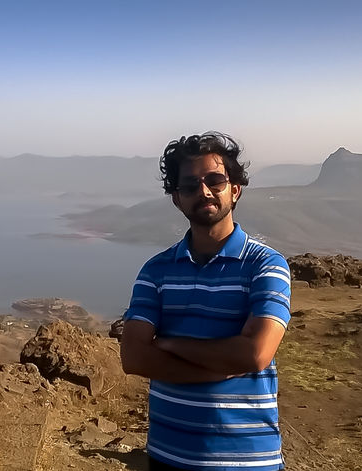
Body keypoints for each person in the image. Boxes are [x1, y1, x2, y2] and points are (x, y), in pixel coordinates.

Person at [120, 132, 291, 471]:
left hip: (248, 461)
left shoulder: (265, 265)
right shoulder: (156, 270)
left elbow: (254, 354)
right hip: (168, 456)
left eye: (215, 180)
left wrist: (168, 343)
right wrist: (221, 367)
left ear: (235, 190)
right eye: (189, 185)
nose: (204, 191)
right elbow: (134, 357)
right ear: (177, 199)